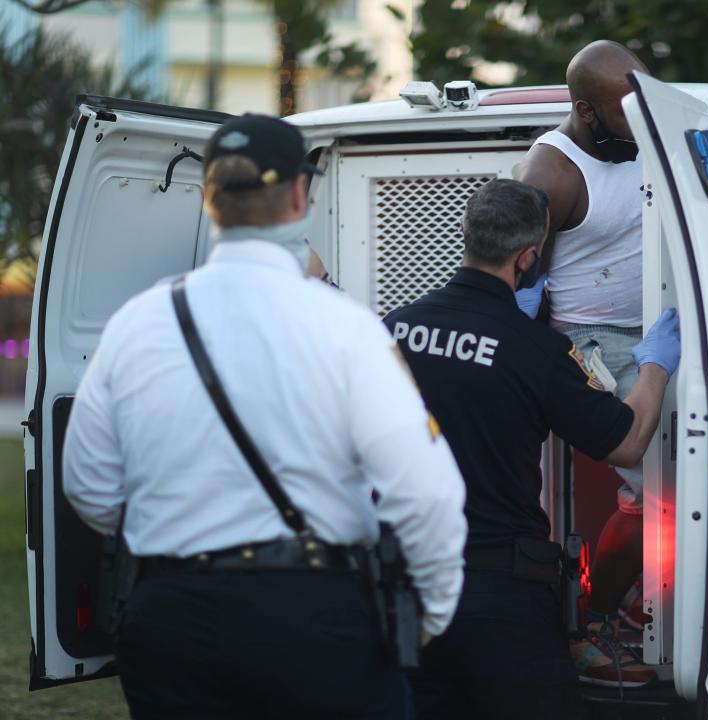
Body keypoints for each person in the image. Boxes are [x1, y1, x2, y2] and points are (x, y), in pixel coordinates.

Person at [62, 114, 467, 719]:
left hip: (170, 620)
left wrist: (177, 526)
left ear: (208, 200)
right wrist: (429, 613)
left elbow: (89, 488)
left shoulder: (135, 325)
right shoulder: (346, 328)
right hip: (312, 616)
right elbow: (427, 492)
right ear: (301, 195)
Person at [384, 179, 679, 718]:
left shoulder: (395, 328)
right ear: (529, 258)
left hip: (402, 588)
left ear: (464, 235)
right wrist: (656, 364)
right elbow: (630, 442)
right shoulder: (537, 351)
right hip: (498, 595)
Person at [514, 39, 653, 680]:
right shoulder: (554, 172)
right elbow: (516, 281)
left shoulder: (642, 136)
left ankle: (624, 607)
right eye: (626, 112)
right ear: (586, 112)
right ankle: (593, 623)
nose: (640, 124)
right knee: (651, 485)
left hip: (650, 327)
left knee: (703, 469)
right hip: (588, 340)